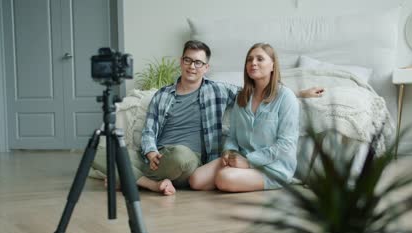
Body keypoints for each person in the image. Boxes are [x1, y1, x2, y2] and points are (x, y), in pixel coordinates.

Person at [93, 40, 323, 195]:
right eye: (188, 60)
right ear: (181, 62)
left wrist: (299, 93)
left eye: (198, 62)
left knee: (181, 157)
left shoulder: (219, 90)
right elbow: (149, 131)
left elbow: (274, 97)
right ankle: (149, 183)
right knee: (99, 149)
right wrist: (150, 151)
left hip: (185, 157)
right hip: (158, 157)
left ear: (206, 67)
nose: (192, 66)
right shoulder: (162, 95)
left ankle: (125, 177)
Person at [188, 43, 323, 192]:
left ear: (273, 65)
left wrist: (249, 162)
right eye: (249, 60)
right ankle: (236, 176)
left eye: (260, 59)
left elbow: (286, 145)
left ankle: (240, 178)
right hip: (241, 159)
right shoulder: (242, 98)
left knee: (224, 177)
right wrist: (228, 152)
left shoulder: (286, 98)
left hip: (273, 168)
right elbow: (232, 136)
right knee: (196, 180)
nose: (253, 63)